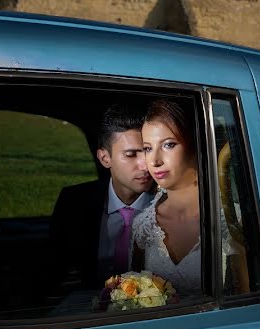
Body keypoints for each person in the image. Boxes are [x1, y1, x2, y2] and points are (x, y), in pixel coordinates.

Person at [131, 99, 248, 296]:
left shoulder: (233, 220)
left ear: (195, 145)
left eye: (168, 145)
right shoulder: (143, 226)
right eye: (148, 148)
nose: (155, 160)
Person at [49, 103, 154, 292]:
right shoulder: (74, 202)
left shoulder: (168, 202)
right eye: (131, 155)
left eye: (147, 151)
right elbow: (55, 272)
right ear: (105, 158)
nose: (145, 165)